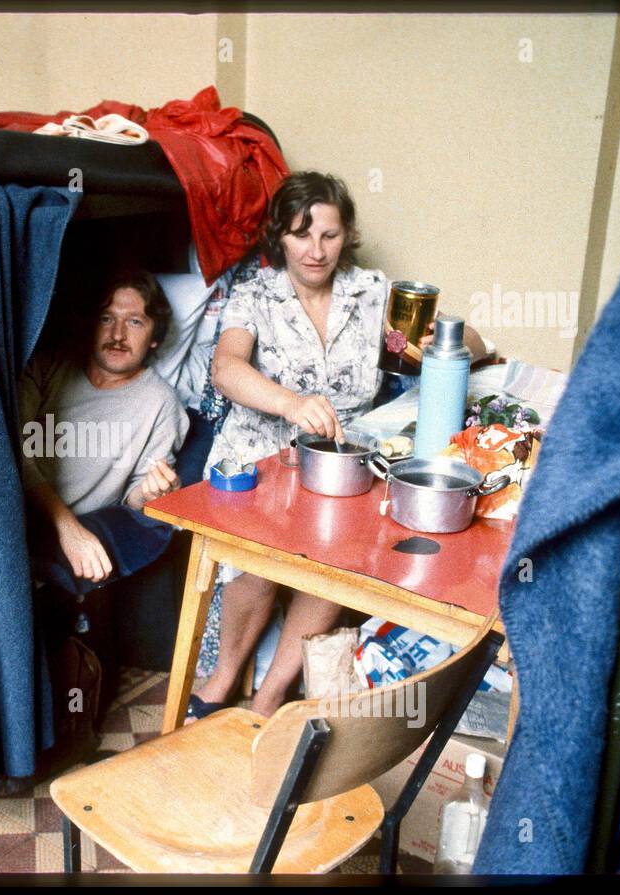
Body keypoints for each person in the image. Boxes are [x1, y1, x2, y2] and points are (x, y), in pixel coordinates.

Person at [187, 171, 487, 721]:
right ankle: (224, 676)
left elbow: (473, 343)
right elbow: (226, 368)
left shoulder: (372, 293)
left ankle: (271, 693)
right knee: (255, 558)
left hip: (343, 457)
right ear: (280, 237)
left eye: (329, 234)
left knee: (335, 560)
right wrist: (289, 402)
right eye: (302, 235)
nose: (316, 250)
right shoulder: (255, 293)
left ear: (346, 235)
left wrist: (442, 340)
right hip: (260, 452)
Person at [20, 270, 190, 586]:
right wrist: (67, 528)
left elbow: (134, 499)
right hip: (16, 513)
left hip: (66, 534)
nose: (118, 334)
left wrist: (154, 493)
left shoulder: (161, 403)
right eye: (107, 319)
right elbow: (14, 455)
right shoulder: (49, 366)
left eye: (135, 322)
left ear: (155, 338)